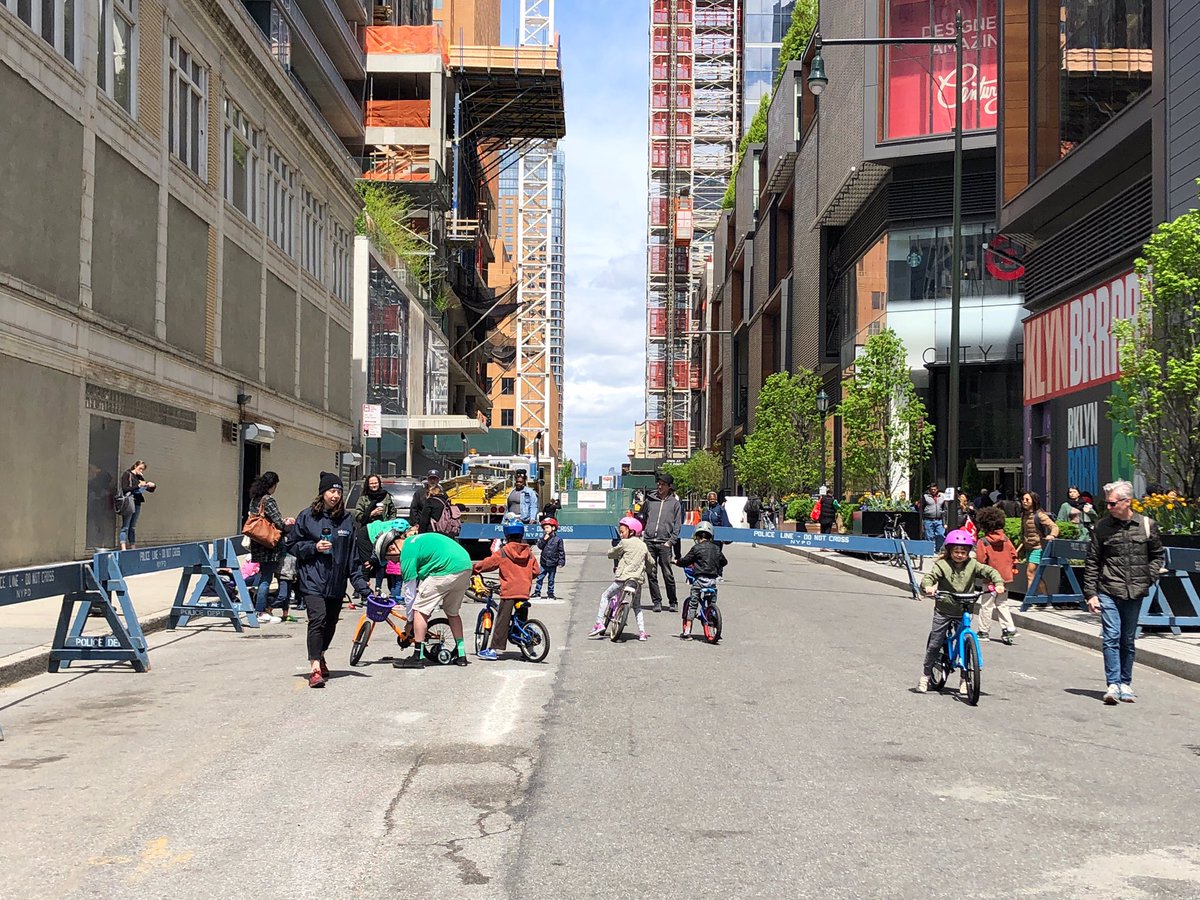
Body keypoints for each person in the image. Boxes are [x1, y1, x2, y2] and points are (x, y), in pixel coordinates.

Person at [1084, 480, 1165, 705]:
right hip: (1108, 588)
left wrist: (1148, 577)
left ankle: (1125, 683)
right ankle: (1112, 684)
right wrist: (1091, 594)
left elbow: (1157, 555)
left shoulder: (1146, 525)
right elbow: (1092, 561)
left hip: (1135, 591)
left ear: (1126, 502)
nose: (1108, 508)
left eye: (1111, 503)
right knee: (1111, 636)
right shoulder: (1101, 528)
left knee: (1127, 639)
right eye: (1107, 503)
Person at [287, 472, 368, 688]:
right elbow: (292, 545)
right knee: (318, 619)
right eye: (332, 491)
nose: (335, 495)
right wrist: (313, 547)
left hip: (336, 582)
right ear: (322, 493)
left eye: (339, 492)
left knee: (330, 623)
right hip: (312, 579)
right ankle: (314, 668)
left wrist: (363, 587)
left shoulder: (347, 520)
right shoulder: (307, 516)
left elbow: (353, 557)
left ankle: (320, 654)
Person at [917, 529, 1006, 694]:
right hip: (944, 608)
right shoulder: (942, 565)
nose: (959, 555)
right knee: (935, 643)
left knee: (965, 641)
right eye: (956, 551)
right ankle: (926, 675)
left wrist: (998, 583)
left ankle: (965, 678)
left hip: (964, 608)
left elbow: (990, 571)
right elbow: (930, 577)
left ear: (968, 552)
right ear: (950, 551)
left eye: (963, 552)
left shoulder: (972, 565)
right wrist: (928, 587)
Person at [390, 528, 473, 669]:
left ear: (392, 548)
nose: (395, 563)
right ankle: (461, 655)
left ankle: (418, 657)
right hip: (465, 567)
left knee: (420, 610)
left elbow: (410, 594)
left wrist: (410, 621)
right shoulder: (415, 541)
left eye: (391, 559)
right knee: (452, 612)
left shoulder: (406, 553)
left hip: (444, 570)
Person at [473, 516, 540, 660]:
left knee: (502, 621)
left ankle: (493, 649)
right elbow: (536, 571)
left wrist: (474, 569)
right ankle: (527, 647)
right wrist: (525, 577)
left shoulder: (503, 552)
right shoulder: (529, 553)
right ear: (522, 534)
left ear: (506, 535)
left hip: (509, 591)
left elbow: (488, 564)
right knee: (521, 620)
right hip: (524, 591)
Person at [589, 516, 654, 641]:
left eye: (623, 531)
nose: (621, 534)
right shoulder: (643, 546)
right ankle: (642, 632)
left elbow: (612, 553)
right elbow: (650, 562)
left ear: (632, 531)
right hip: (636, 581)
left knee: (605, 596)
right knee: (637, 606)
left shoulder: (624, 543)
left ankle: (599, 623)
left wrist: (611, 553)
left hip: (622, 579)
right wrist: (650, 570)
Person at [247, 471, 293, 624]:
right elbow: (278, 522)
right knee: (266, 578)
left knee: (263, 576)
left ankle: (259, 609)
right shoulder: (268, 500)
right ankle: (261, 611)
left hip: (257, 542)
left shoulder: (255, 499)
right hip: (269, 544)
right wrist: (287, 523)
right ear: (272, 485)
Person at [674, 520, 727, 640]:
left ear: (697, 536)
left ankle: (687, 631)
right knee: (711, 603)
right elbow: (724, 561)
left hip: (699, 581)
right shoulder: (716, 548)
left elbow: (685, 561)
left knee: (693, 604)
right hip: (712, 582)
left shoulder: (696, 548)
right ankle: (714, 624)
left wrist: (677, 561)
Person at [973, 506, 1018, 642]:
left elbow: (980, 561)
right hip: (1004, 578)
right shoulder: (1005, 539)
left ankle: (983, 631)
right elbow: (1013, 554)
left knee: (987, 605)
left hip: (990, 579)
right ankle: (1009, 628)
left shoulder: (984, 542)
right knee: (1002, 603)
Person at [641, 472, 683, 613]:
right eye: (658, 483)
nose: (659, 486)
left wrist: (670, 542)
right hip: (649, 541)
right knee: (651, 573)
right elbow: (642, 517)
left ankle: (673, 601)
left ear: (669, 487)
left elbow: (677, 525)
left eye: (663, 484)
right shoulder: (650, 500)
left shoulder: (675, 504)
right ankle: (656, 601)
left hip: (665, 543)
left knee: (667, 573)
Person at [1018, 491, 1059, 598]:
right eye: (1023, 499)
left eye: (1027, 500)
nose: (1024, 502)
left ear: (1033, 501)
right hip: (1028, 548)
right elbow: (1024, 534)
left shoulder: (1040, 515)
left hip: (1038, 548)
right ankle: (1045, 598)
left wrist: (1052, 535)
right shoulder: (1024, 515)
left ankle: (1029, 599)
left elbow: (1054, 527)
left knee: (1030, 573)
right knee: (1035, 575)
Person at [118, 460, 157, 550]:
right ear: (135, 466)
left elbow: (148, 489)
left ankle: (132, 547)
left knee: (133, 526)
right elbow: (125, 488)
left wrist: (151, 485)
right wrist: (138, 485)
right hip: (129, 502)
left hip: (137, 502)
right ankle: (123, 547)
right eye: (140, 468)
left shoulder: (140, 476)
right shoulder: (127, 474)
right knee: (126, 526)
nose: (141, 471)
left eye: (143, 469)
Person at [533, 517, 565, 599]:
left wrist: (561, 561)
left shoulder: (558, 540)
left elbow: (561, 551)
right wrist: (544, 540)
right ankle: (537, 592)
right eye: (544, 528)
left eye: (547, 527)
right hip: (544, 562)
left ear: (553, 528)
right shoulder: (543, 538)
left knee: (551, 579)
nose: (545, 530)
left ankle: (550, 593)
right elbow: (540, 546)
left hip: (553, 563)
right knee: (540, 577)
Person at [921, 484, 947, 551]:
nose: (933, 491)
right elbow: (921, 508)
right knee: (929, 536)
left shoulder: (942, 496)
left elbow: (944, 508)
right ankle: (929, 550)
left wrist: (945, 521)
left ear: (937, 489)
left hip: (939, 519)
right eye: (932, 489)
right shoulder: (925, 496)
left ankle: (938, 550)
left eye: (934, 489)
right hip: (928, 519)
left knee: (940, 535)